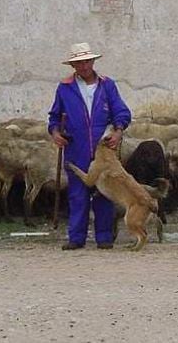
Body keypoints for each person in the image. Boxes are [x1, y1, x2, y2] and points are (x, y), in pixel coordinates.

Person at [47, 42, 131, 250]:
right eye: (78, 63)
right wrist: (56, 133)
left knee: (104, 191)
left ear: (93, 61)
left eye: (86, 61)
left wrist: (118, 131)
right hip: (76, 147)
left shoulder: (107, 85)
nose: (83, 66)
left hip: (103, 150)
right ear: (73, 66)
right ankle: (76, 237)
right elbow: (54, 116)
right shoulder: (65, 88)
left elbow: (121, 112)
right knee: (77, 193)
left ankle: (104, 237)